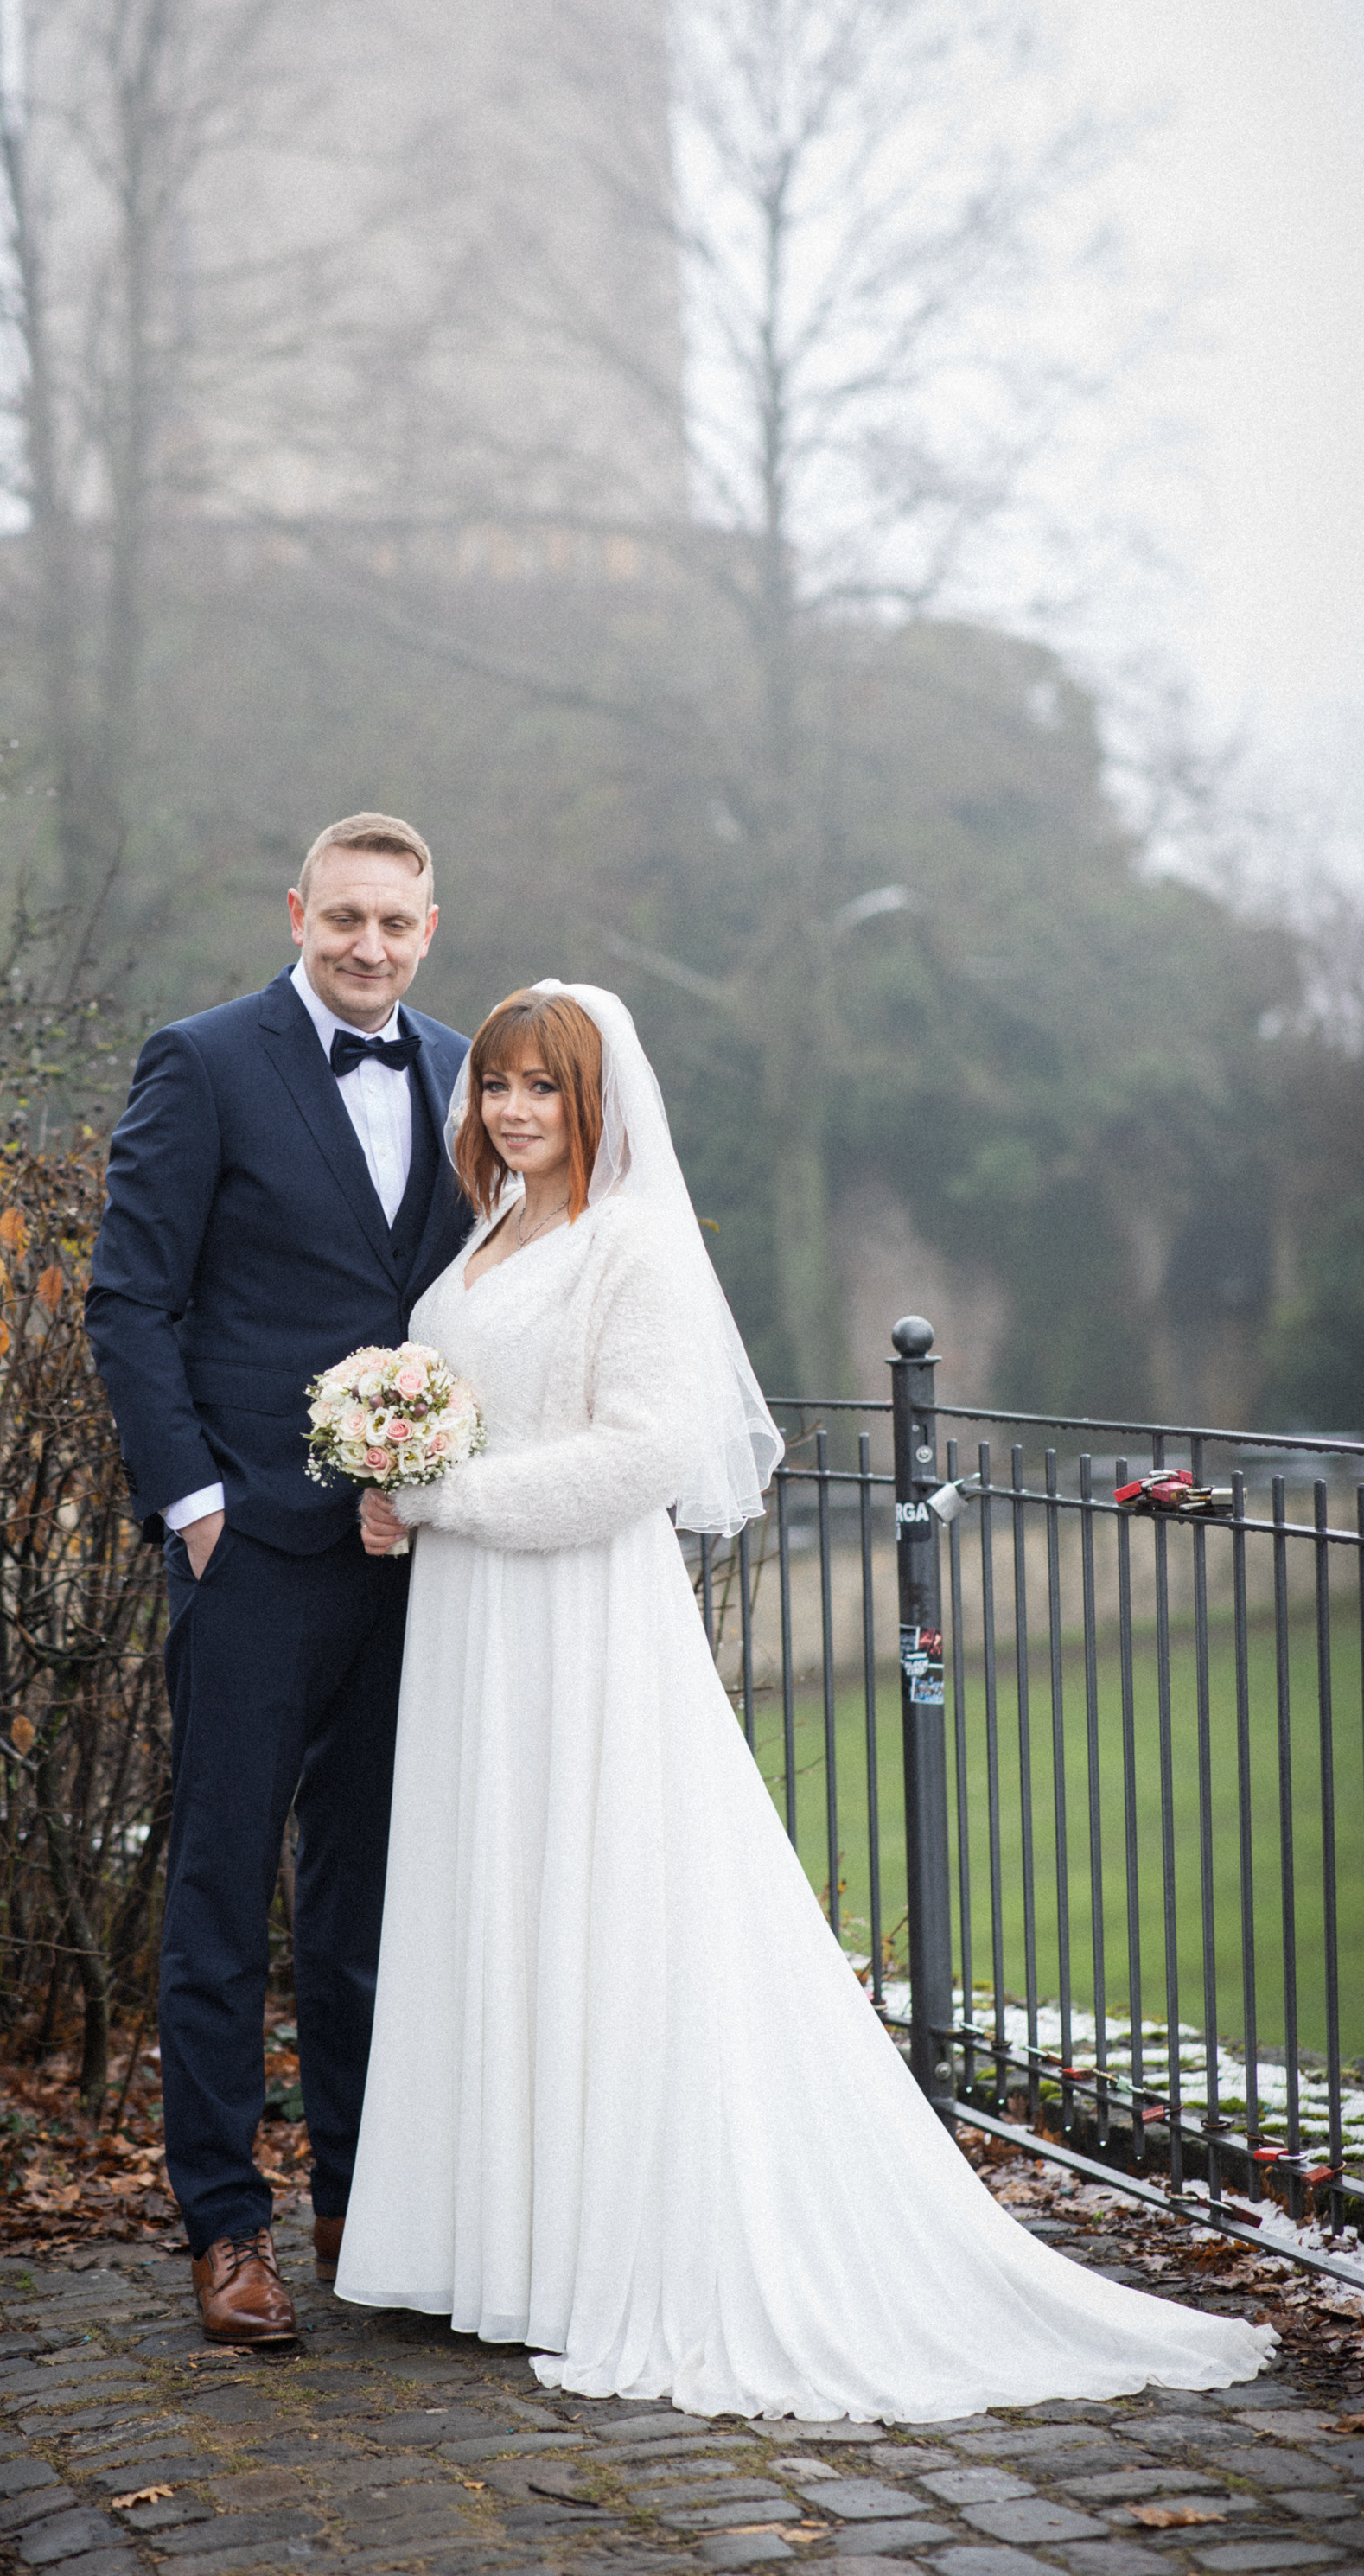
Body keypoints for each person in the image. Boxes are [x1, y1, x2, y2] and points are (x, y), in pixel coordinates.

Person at [337, 981, 1272, 2420]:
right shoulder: (487, 1233)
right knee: (495, 1895)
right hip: (473, 1625)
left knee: (596, 1903)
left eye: (543, 1088)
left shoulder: (631, 1245)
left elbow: (646, 1454)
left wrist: (445, 1492)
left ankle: (604, 2238)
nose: (513, 1110)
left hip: (577, 1621)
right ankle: (500, 2242)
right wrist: (400, 1484)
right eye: (500, 1087)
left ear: (597, 1102)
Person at [84, 814, 472, 2343]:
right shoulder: (204, 1059)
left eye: (398, 924)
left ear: (432, 930)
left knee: (372, 1897)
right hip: (248, 1547)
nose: (369, 947)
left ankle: (361, 2208)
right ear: (297, 912)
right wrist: (193, 1505)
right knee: (224, 1894)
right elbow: (131, 1298)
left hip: (410, 1555)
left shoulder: (463, 1069)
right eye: (345, 919)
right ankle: (225, 2228)